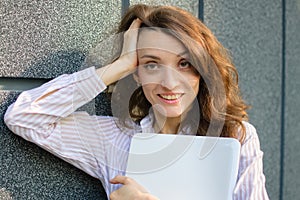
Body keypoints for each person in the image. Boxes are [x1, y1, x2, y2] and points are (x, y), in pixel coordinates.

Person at [4, 4, 269, 200]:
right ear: (137, 73)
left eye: (184, 63)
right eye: (151, 64)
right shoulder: (115, 139)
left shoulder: (235, 136)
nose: (169, 83)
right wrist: (119, 66)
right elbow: (24, 116)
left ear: (202, 68)